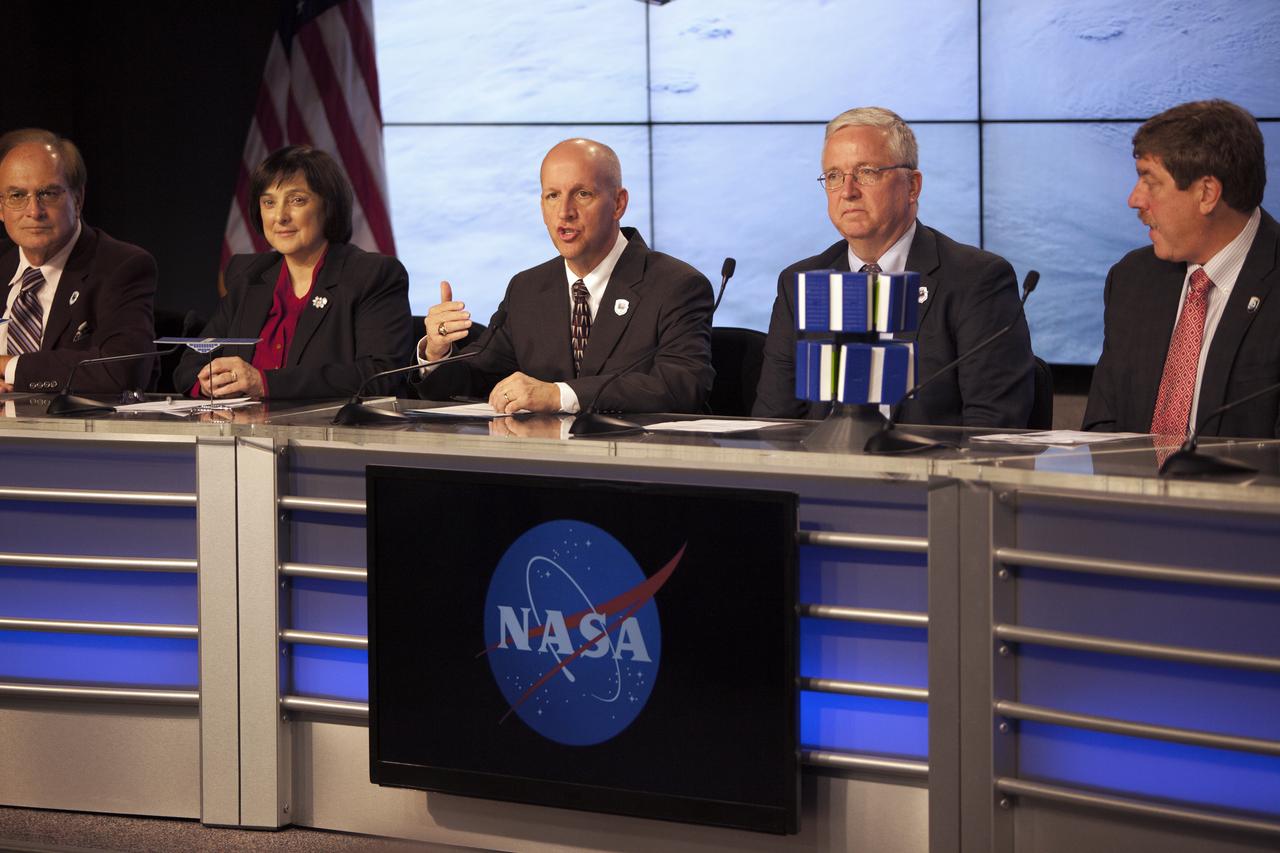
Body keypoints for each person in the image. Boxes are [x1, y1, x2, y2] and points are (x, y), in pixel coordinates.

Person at [752, 107, 1034, 426]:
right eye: (833, 176)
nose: (848, 192)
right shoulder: (799, 283)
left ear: (912, 186)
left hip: (929, 459)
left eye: (867, 172)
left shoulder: (976, 280)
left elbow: (991, 427)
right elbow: (773, 423)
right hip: (822, 458)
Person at [413, 138, 714, 414]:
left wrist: (559, 395)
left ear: (619, 204)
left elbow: (682, 385)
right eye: (553, 196)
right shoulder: (527, 289)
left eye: (582, 194)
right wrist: (437, 353)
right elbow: (475, 379)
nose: (565, 211)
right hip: (544, 454)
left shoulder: (676, 286)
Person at [1083, 99, 1278, 438]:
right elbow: (1103, 425)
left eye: (1150, 181)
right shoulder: (1132, 279)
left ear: (1207, 193)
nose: (1134, 199)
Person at [174, 145, 413, 399]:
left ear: (329, 206)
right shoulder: (249, 276)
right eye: (269, 202)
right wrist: (209, 382)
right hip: (243, 423)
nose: (280, 216)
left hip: (332, 424)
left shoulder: (371, 275)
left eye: (297, 200)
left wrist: (265, 383)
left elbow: (380, 375)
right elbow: (190, 365)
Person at [0, 129, 157, 393]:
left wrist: (9, 367)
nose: (34, 211)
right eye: (17, 196)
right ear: (1, 208)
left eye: (48, 193)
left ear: (78, 199)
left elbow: (123, 370)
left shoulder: (121, 266)